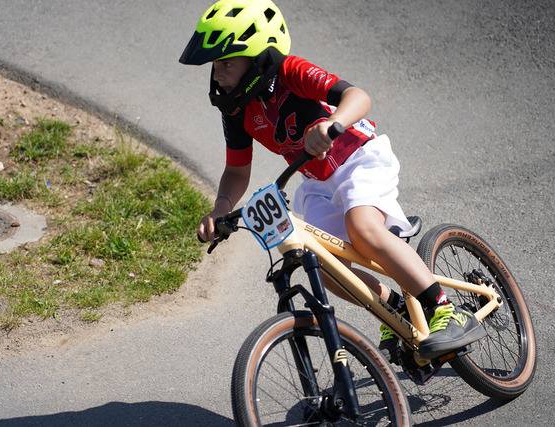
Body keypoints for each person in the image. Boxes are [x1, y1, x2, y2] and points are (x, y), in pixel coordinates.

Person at [180, 0, 486, 365]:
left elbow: (358, 97)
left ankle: (446, 309)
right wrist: (220, 209)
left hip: (359, 159)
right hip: (316, 181)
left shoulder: (290, 71)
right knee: (326, 267)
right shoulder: (236, 110)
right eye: (215, 65)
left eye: (227, 63)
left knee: (363, 230)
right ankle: (396, 309)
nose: (217, 74)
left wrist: (331, 123)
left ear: (258, 58)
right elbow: (236, 171)